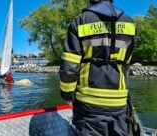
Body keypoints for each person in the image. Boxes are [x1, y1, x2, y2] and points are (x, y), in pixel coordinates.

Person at [59, 0, 137, 135]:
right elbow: (126, 63)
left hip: (88, 105)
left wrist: (68, 95)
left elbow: (69, 66)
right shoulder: (130, 23)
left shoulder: (80, 21)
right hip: (120, 103)